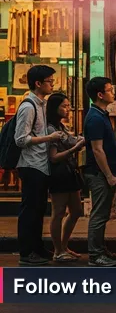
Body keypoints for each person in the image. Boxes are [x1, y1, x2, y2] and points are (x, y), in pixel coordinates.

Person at [15, 65, 65, 266]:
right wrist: (49, 137)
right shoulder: (29, 107)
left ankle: (37, 248)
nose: (52, 83)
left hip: (41, 164)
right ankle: (26, 252)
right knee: (30, 211)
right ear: (38, 83)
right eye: (49, 81)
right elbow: (20, 139)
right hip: (31, 165)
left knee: (38, 210)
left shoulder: (42, 104)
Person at [83, 77, 116, 267]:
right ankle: (95, 255)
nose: (113, 92)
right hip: (99, 175)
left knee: (103, 214)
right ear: (100, 95)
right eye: (109, 90)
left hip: (105, 173)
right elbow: (97, 150)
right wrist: (109, 175)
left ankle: (100, 249)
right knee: (98, 215)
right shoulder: (95, 117)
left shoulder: (102, 114)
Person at [46, 93, 86, 262]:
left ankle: (64, 246)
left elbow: (70, 140)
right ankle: (57, 250)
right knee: (59, 212)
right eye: (64, 106)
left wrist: (79, 141)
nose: (68, 109)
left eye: (68, 106)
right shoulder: (50, 129)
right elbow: (53, 157)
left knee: (76, 210)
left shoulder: (60, 127)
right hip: (58, 174)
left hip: (70, 172)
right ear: (55, 108)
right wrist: (74, 150)